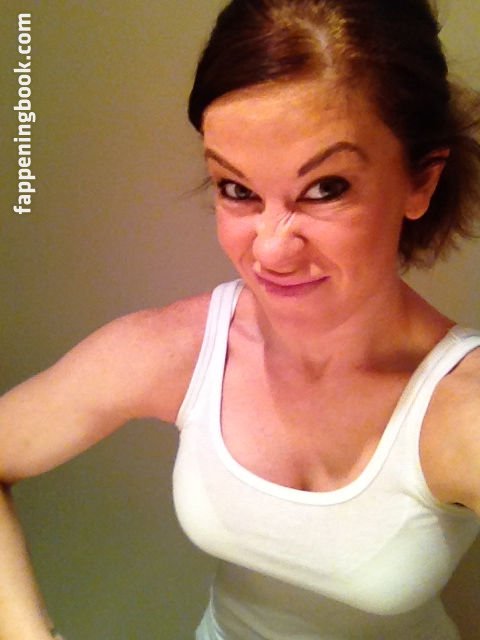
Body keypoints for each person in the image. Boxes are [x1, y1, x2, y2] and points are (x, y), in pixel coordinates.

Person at [1, 0, 480, 638]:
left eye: (326, 188)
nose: (271, 250)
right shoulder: (180, 348)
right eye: (237, 190)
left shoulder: (461, 409)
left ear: (421, 182)